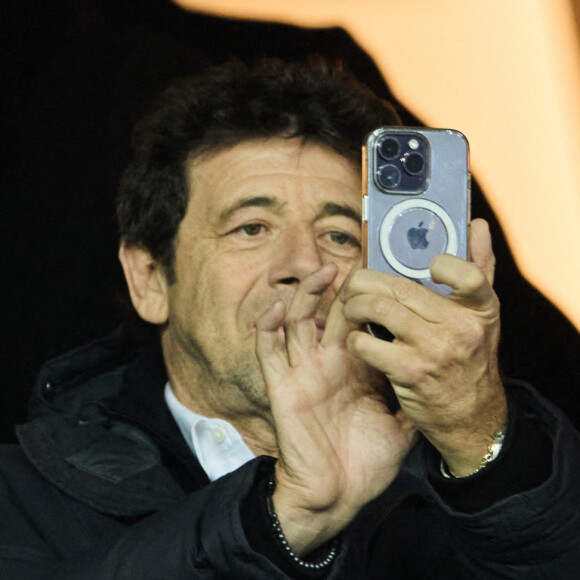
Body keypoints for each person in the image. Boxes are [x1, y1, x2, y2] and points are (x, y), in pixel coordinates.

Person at [1, 58, 579, 579]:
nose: (305, 264)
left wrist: (482, 441)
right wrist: (284, 518)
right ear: (150, 279)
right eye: (251, 228)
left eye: (339, 235)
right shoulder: (19, 494)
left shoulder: (456, 476)